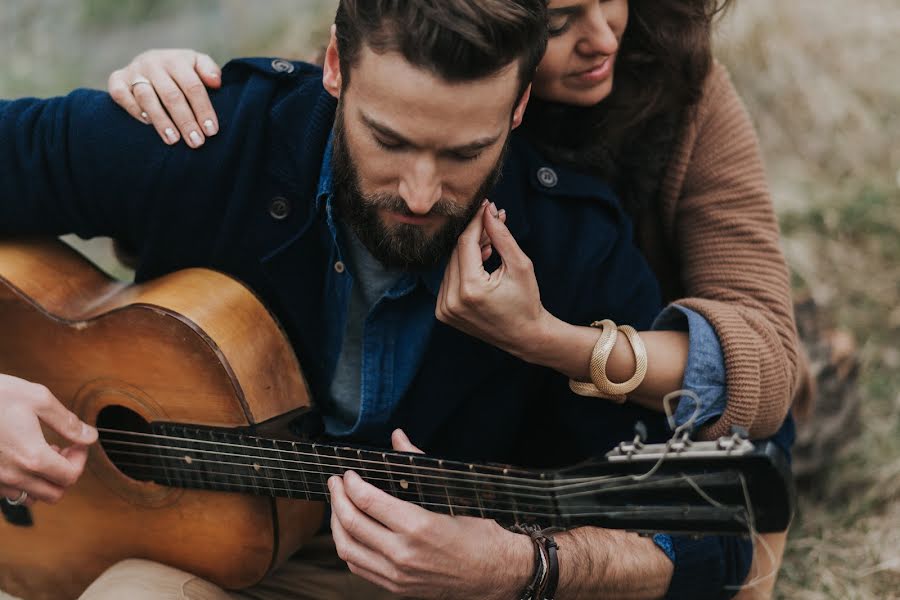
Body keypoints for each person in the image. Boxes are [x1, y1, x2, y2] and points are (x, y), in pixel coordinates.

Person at [0, 2, 785, 599]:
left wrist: (523, 563)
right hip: (173, 554)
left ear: (517, 111)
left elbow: (715, 528)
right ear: (335, 68)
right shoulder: (211, 133)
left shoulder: (572, 248)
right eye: (389, 140)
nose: (418, 192)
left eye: (463, 154)